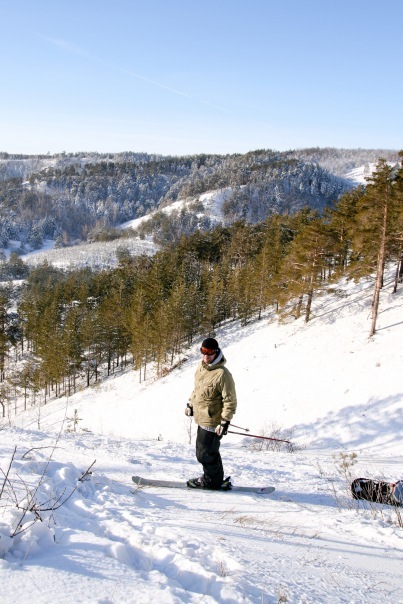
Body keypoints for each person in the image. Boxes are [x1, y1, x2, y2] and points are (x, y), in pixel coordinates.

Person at [185, 337, 237, 490]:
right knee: (205, 452)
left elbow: (230, 400)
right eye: (203, 351)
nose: (206, 355)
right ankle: (215, 479)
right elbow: (197, 390)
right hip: (201, 417)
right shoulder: (201, 367)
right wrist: (190, 404)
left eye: (209, 352)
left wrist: (225, 421)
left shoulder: (222, 374)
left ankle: (212, 482)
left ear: (216, 352)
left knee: (205, 453)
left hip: (214, 421)